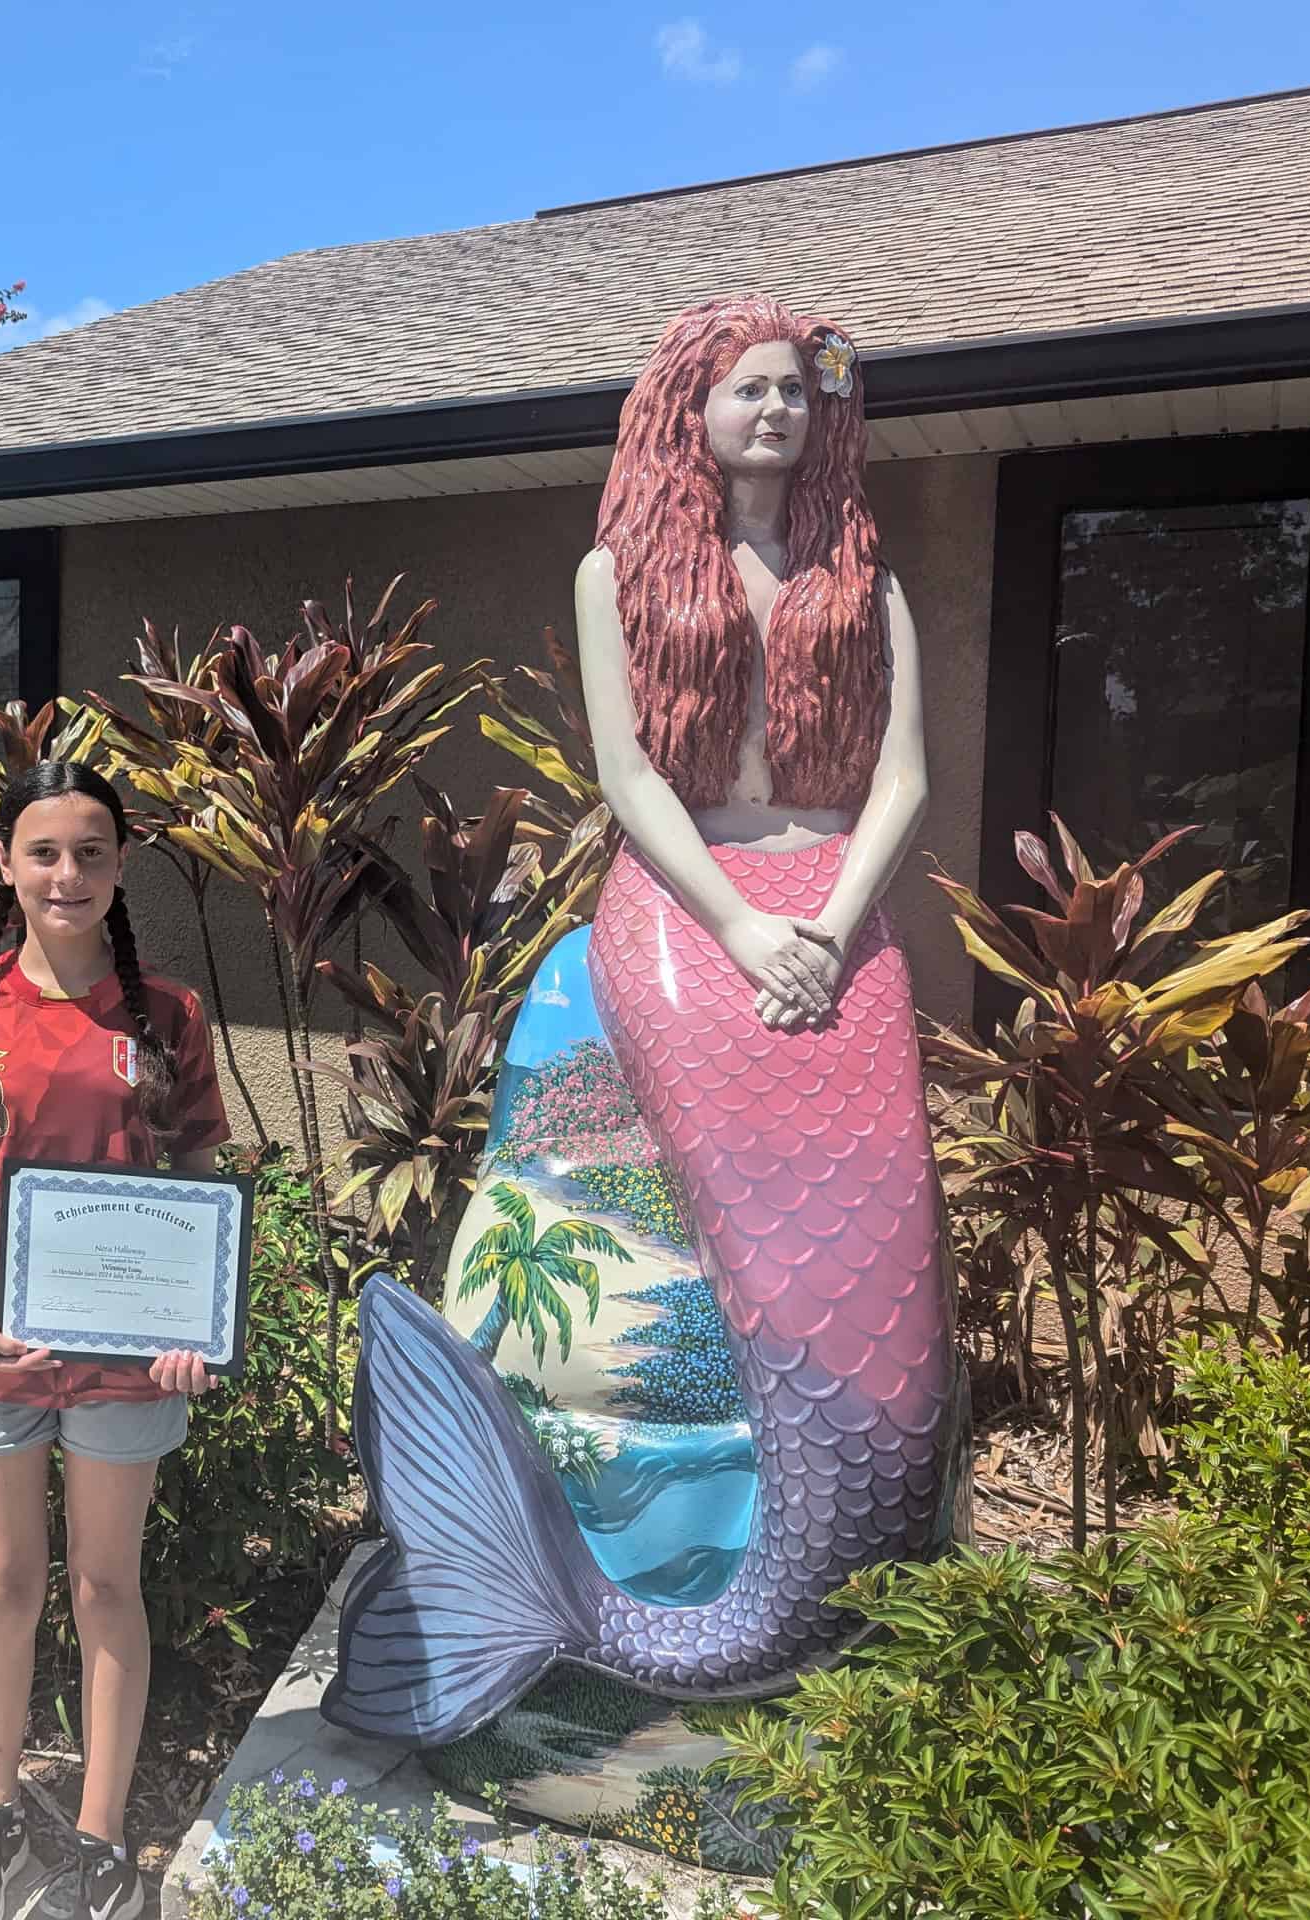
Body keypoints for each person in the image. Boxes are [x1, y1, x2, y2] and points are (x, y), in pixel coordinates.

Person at [326, 294, 962, 1736]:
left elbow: (905, 782)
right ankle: (564, 1584)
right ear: (689, 406)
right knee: (759, 1239)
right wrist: (742, 925)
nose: (777, 412)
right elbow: (631, 777)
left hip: (834, 906)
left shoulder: (873, 587)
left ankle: (795, 1604)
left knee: (884, 1285)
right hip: (684, 904)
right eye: (748, 389)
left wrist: (833, 920)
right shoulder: (614, 576)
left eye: (799, 391)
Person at [0, 761, 230, 1920]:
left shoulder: (172, 1016)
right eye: (43, 851)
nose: (67, 874)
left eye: (91, 852)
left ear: (120, 865)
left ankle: (98, 1838)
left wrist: (196, 1323)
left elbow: (198, 1176)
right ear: (4, 864)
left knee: (105, 1586)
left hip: (128, 1367)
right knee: (1, 1586)